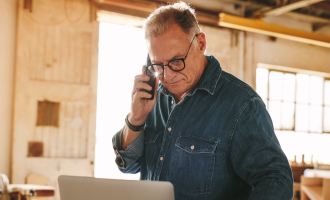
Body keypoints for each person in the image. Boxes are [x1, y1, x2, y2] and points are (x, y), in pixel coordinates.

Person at [112, 2, 293, 199]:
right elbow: (129, 165)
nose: (168, 75)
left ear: (201, 44)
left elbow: (276, 180)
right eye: (158, 65)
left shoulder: (241, 104)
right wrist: (136, 118)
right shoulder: (153, 98)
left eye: (175, 61)